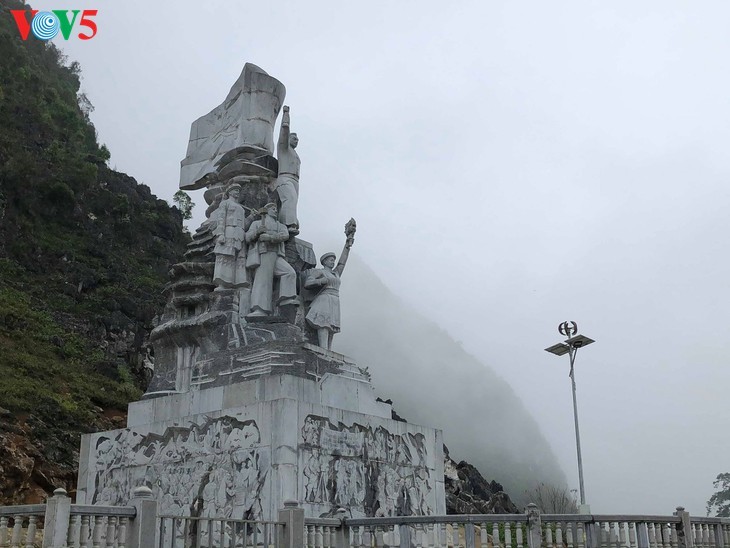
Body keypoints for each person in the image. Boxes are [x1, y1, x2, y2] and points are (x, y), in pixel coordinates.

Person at [305, 219, 356, 349]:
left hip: (335, 299)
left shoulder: (336, 273)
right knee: (324, 324)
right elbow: (308, 282)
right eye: (330, 260)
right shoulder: (320, 272)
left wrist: (347, 245)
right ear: (324, 261)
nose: (333, 262)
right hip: (324, 299)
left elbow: (342, 262)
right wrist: (320, 281)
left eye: (333, 260)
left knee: (332, 326)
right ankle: (323, 348)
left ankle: (328, 349)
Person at [245, 203, 299, 316]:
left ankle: (285, 299)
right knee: (263, 281)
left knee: (289, 272)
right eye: (272, 209)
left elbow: (285, 236)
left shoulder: (281, 226)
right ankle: (259, 309)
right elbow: (247, 237)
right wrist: (257, 232)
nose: (275, 210)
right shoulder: (257, 223)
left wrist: (270, 237)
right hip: (264, 253)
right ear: (267, 211)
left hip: (276, 254)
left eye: (276, 209)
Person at [212, 182, 248, 289]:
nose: (237, 192)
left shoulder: (241, 208)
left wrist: (251, 217)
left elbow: (244, 224)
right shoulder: (225, 203)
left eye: (238, 190)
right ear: (230, 192)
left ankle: (238, 282)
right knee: (225, 256)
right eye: (235, 190)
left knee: (239, 258)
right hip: (228, 230)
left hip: (240, 233)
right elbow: (221, 219)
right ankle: (222, 283)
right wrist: (220, 234)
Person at [273, 105, 300, 233]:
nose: (297, 141)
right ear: (289, 139)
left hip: (295, 180)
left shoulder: (295, 154)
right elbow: (284, 131)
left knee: (292, 202)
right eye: (294, 138)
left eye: (298, 139)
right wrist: (286, 115)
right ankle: (287, 225)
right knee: (290, 199)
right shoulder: (284, 148)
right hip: (285, 177)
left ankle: (289, 222)